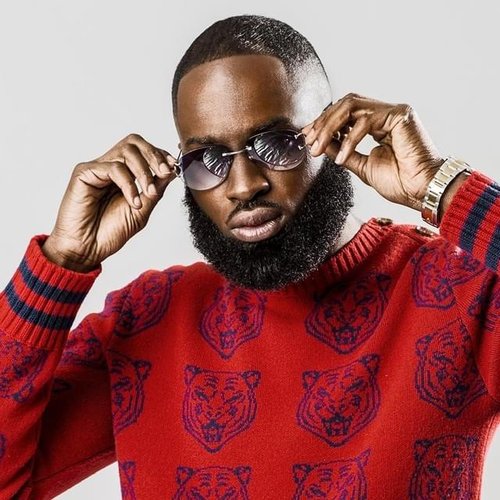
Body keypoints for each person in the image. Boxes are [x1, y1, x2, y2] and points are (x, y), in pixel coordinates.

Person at [0, 13, 498, 499]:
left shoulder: (456, 293)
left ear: (336, 132)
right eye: (207, 159)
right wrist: (61, 263)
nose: (243, 186)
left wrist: (441, 186)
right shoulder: (148, 320)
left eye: (277, 144)